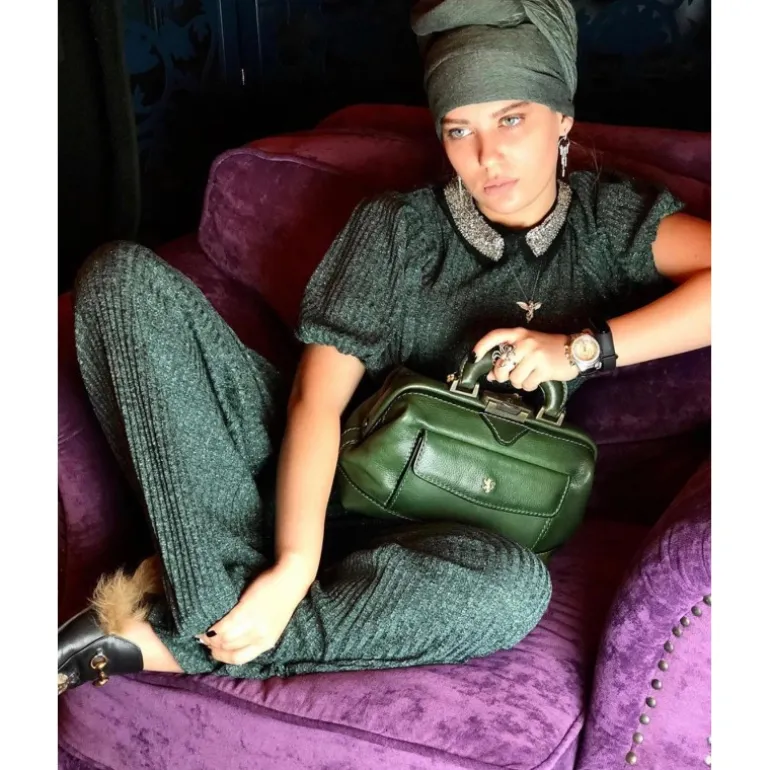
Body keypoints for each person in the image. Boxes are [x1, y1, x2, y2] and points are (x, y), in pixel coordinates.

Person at [57, 0, 710, 694]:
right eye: (460, 129)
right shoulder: (398, 230)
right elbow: (315, 400)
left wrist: (579, 350)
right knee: (119, 279)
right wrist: (295, 566)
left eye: (511, 119)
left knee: (514, 593)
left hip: (449, 539)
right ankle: (226, 604)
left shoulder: (607, 224)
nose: (487, 156)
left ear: (562, 119)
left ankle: (177, 635)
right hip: (305, 478)